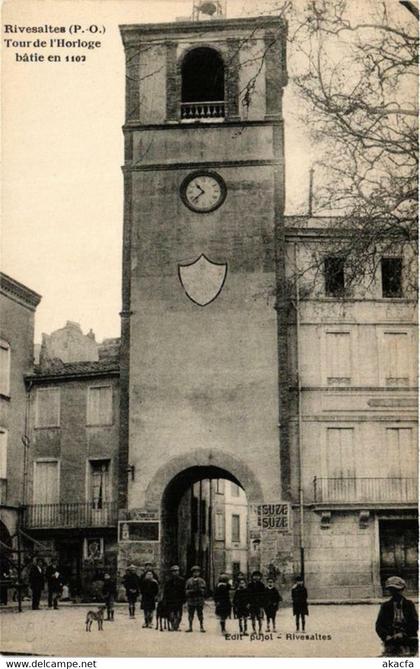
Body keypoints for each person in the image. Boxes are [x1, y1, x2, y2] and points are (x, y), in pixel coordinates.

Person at [376, 576, 418, 657]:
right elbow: (379, 625)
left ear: (402, 590)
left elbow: (415, 623)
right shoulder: (385, 606)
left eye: (398, 590)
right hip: (391, 639)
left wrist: (403, 634)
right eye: (392, 591)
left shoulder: (409, 605)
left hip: (408, 638)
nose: (395, 594)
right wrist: (386, 636)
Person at [163, 565, 185, 631]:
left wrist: (184, 599)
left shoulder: (182, 580)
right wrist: (164, 599)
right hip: (170, 600)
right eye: (173, 571)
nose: (175, 573)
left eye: (176, 571)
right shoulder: (168, 581)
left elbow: (184, 591)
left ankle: (177, 626)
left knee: (179, 614)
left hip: (179, 600)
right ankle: (172, 625)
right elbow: (165, 591)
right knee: (171, 614)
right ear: (171, 572)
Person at [185, 565, 206, 633]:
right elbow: (186, 590)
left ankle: (201, 626)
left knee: (200, 614)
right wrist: (190, 592)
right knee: (190, 614)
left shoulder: (202, 581)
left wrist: (200, 591)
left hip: (199, 600)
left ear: (199, 573)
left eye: (197, 572)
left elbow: (204, 590)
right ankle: (190, 627)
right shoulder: (189, 581)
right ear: (192, 573)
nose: (196, 573)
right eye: (194, 572)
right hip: (191, 600)